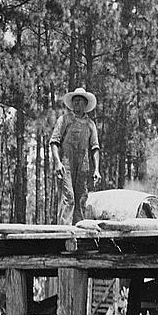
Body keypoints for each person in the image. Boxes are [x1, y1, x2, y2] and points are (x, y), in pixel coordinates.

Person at [49, 86, 102, 225]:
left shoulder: (90, 124)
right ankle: (65, 231)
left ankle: (79, 231)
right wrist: (57, 162)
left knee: (81, 198)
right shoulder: (64, 120)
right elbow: (54, 142)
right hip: (66, 164)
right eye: (75, 100)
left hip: (83, 166)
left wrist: (96, 169)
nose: (77, 103)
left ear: (86, 104)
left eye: (80, 100)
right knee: (69, 198)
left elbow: (95, 147)